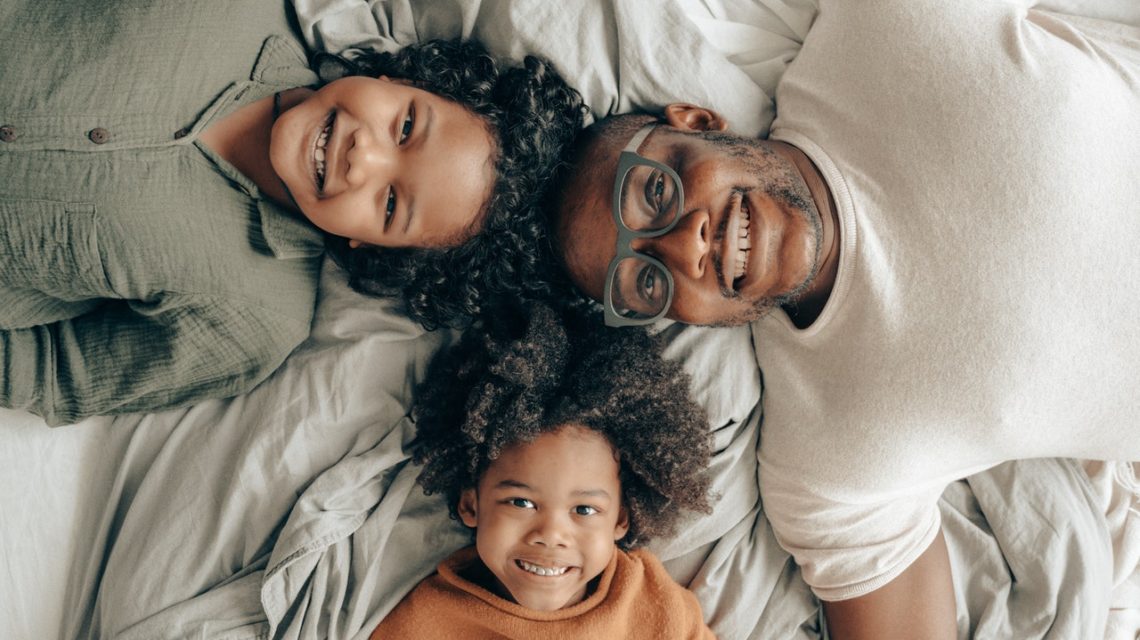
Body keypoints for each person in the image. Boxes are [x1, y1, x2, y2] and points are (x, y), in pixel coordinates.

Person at [546, 1, 1140, 638]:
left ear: (696, 121)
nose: (685, 246)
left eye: (654, 192)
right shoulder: (823, 463)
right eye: (647, 281)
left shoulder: (886, 23)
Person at [0, 1, 583, 425]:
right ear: (402, 77)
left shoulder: (254, 320)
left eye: (388, 204)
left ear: (373, 249)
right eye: (406, 126)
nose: (364, 158)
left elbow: (54, 373)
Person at [370, 302, 716, 639]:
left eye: (584, 510)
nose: (550, 534)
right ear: (472, 504)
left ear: (621, 519)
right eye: (521, 502)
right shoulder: (426, 621)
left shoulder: (652, 605)